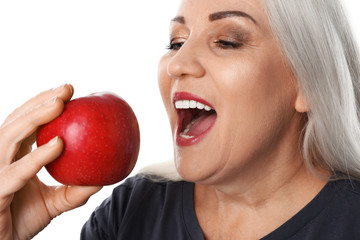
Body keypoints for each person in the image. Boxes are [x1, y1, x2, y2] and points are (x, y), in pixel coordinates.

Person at [1, 0, 360, 239]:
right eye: (176, 42)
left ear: (308, 83)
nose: (176, 64)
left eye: (227, 41)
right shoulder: (131, 212)